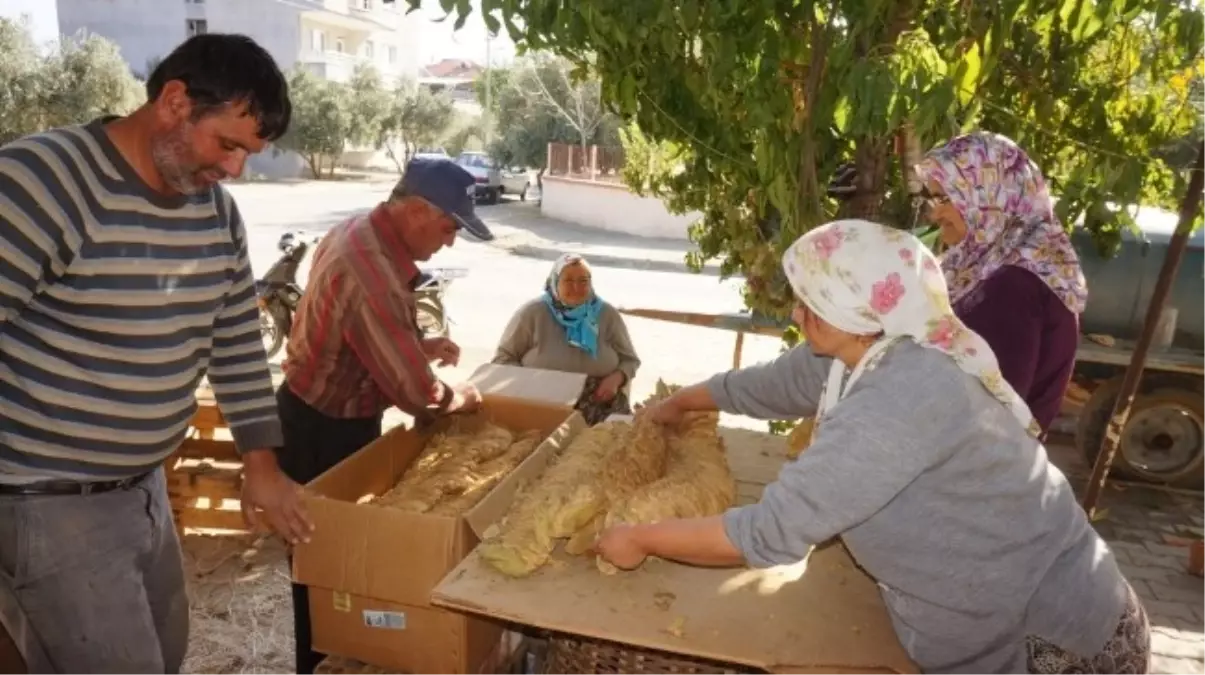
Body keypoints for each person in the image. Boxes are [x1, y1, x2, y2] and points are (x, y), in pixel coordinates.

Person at [596, 219, 1146, 674]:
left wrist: (639, 539)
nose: (794, 313)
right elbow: (775, 384)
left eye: (809, 302)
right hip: (981, 614)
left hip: (1053, 637)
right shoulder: (871, 346)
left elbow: (771, 533)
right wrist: (680, 404)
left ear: (858, 312)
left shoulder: (906, 392)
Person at [0, 34, 306, 675]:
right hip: (46, 500)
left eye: (248, 154)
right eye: (228, 144)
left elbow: (234, 343)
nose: (234, 171)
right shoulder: (41, 182)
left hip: (144, 492)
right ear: (174, 102)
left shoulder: (216, 215)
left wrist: (261, 463)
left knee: (164, 655)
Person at [277, 155, 494, 674]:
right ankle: (321, 664)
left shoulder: (360, 230)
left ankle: (348, 652)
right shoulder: (369, 271)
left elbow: (363, 332)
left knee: (342, 564)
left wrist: (415, 342)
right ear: (417, 210)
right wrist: (462, 397)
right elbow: (417, 395)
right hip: (321, 431)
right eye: (448, 227)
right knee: (324, 569)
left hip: (324, 413)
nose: (449, 242)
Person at [915, 132, 1087, 434]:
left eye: (946, 198)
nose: (935, 212)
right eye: (933, 198)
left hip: (973, 466)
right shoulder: (994, 266)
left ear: (989, 195)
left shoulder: (1013, 284)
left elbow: (990, 407)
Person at [492, 253, 641, 424]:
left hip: (601, 403)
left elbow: (630, 360)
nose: (576, 288)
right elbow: (502, 359)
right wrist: (533, 385)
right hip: (544, 404)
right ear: (555, 282)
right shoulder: (532, 313)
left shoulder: (606, 314)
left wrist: (616, 379)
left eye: (583, 281)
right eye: (568, 281)